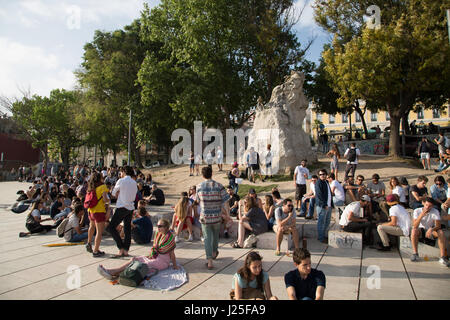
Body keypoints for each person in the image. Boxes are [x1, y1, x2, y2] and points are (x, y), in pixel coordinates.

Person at [98, 219, 178, 281]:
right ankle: (115, 272)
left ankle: (113, 272)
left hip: (162, 261)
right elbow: (155, 249)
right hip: (154, 256)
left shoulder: (169, 238)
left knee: (143, 264)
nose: (158, 228)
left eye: (160, 226)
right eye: (157, 226)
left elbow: (172, 254)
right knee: (135, 259)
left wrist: (174, 265)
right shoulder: (158, 234)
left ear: (166, 227)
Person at [195, 166, 230, 270]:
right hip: (217, 216)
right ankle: (214, 252)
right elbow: (226, 201)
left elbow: (197, 201)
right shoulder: (219, 186)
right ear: (212, 173)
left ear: (202, 175)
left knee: (207, 238)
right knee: (215, 236)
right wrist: (227, 215)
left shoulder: (199, 186)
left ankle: (209, 261)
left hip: (205, 217)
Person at [107, 166, 138, 258]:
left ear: (124, 172)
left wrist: (117, 193)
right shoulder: (134, 182)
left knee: (111, 227)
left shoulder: (121, 180)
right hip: (130, 207)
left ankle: (120, 247)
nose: (120, 174)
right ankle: (126, 249)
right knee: (127, 228)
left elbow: (113, 193)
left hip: (122, 206)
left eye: (121, 172)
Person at [410, 198, 449, 266]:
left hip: (431, 230)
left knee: (441, 232)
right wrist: (421, 215)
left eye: (430, 206)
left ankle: (443, 257)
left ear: (432, 206)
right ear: (423, 203)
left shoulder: (435, 211)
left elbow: (438, 226)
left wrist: (431, 229)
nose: (427, 207)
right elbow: (415, 225)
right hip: (420, 229)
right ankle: (415, 253)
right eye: (426, 205)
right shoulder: (417, 211)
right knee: (414, 231)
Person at [86, 172, 110, 257]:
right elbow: (105, 199)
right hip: (99, 211)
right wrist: (108, 201)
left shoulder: (90, 187)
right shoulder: (102, 187)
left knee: (91, 226)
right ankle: (96, 251)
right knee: (99, 232)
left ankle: (89, 242)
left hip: (91, 210)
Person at [315, 169, 333, 243]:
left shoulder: (326, 182)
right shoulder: (318, 183)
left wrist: (331, 204)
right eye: (320, 174)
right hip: (322, 206)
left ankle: (323, 235)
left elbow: (329, 194)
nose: (322, 175)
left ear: (326, 175)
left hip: (328, 205)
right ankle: (321, 238)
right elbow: (319, 195)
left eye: (323, 174)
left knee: (327, 222)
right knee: (321, 222)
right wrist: (324, 205)